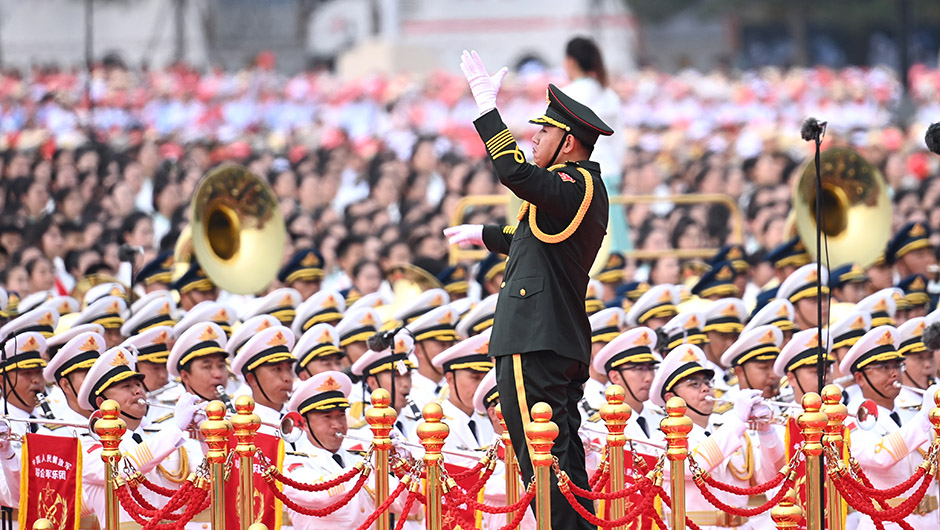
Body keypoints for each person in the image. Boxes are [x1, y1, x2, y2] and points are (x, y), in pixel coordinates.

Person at [447, 50, 613, 529]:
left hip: (535, 339)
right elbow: (533, 241)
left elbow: (517, 174)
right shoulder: (576, 190)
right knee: (560, 456)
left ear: (566, 145)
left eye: (542, 132)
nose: (534, 139)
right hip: (553, 338)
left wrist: (486, 109)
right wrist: (485, 236)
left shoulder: (574, 184)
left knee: (541, 457)